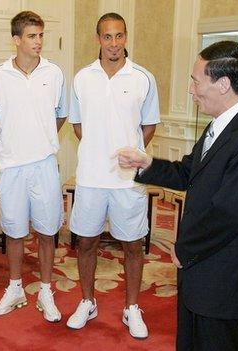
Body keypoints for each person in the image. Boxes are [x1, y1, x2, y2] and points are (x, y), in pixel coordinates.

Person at [118, 40, 238, 350]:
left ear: (222, 84)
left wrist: (185, 249)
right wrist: (147, 163)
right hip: (202, 266)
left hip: (224, 273)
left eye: (196, 81)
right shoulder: (220, 126)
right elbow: (188, 172)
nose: (191, 91)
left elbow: (229, 213)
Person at [65, 13, 159, 339]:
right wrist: (97, 149)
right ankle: (87, 301)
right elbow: (78, 126)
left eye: (119, 36)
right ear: (98, 39)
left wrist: (130, 154)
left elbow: (149, 126)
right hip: (90, 178)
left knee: (133, 245)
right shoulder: (81, 78)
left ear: (126, 37)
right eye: (108, 37)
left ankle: (132, 308)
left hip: (127, 180)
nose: (114, 43)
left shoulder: (143, 78)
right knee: (86, 242)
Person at [0, 11, 67, 322]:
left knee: (47, 231)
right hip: (12, 167)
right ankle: (16, 288)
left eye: (41, 35)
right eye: (32, 36)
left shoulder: (54, 73)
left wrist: (40, 138)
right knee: (15, 232)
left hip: (44, 165)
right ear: (17, 39)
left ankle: (46, 291)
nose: (38, 42)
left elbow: (60, 115)